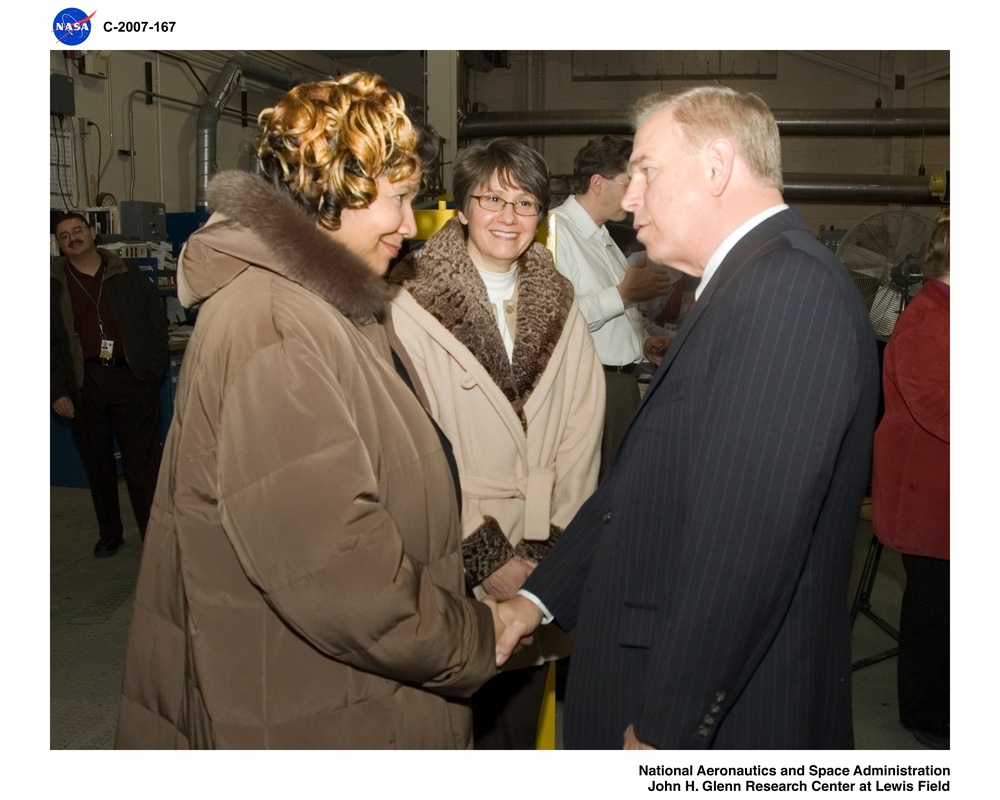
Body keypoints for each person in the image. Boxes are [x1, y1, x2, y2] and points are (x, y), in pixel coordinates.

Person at [115, 73, 498, 749]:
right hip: (319, 713)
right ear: (333, 190)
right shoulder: (274, 325)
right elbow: (340, 576)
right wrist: (478, 634)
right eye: (401, 199)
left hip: (347, 698)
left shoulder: (328, 306)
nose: (410, 227)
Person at [496, 85, 880, 750]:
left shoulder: (787, 291)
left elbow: (745, 549)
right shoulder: (743, 282)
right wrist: (540, 598)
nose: (631, 195)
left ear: (716, 167)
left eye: (645, 171)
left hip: (711, 711)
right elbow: (636, 486)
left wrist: (668, 726)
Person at [388, 137, 604, 749]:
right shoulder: (408, 302)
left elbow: (583, 435)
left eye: (526, 202)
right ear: (461, 208)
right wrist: (487, 558)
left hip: (543, 546)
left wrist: (548, 561)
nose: (508, 217)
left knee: (515, 729)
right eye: (492, 199)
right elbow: (409, 446)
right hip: (449, 549)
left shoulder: (561, 303)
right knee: (450, 727)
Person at [872, 209, 950, 749]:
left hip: (945, 490)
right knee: (935, 610)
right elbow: (938, 407)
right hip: (929, 495)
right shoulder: (926, 319)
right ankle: (928, 717)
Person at [550, 135, 671, 477]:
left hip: (619, 384)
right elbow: (555, 321)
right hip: (589, 384)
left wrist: (643, 341)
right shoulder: (556, 232)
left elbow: (619, 312)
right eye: (628, 184)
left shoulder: (604, 239)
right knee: (589, 497)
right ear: (597, 183)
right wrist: (624, 294)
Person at [51, 212, 168, 557]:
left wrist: (153, 369)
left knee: (142, 465)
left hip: (131, 378)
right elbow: (47, 343)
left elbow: (154, 322)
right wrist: (56, 390)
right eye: (63, 235)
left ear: (92, 233)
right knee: (98, 464)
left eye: (77, 230)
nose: (72, 238)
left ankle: (154, 537)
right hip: (84, 382)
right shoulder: (51, 284)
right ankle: (110, 534)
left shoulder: (126, 274)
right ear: (58, 245)